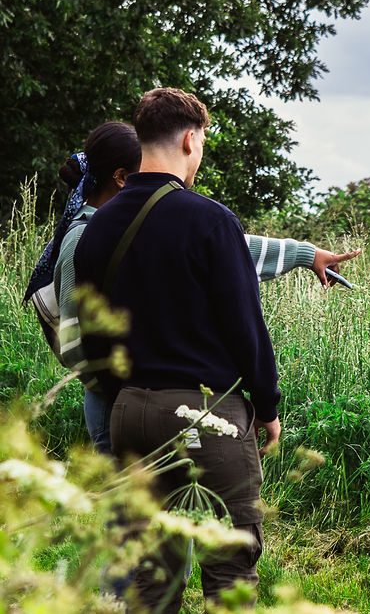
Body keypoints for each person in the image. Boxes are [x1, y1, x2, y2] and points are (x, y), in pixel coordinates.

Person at [73, 88, 307, 610]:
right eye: (201, 142)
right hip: (204, 413)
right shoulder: (210, 220)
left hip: (129, 411)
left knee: (153, 569)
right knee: (229, 565)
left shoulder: (96, 226)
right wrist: (266, 406)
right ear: (188, 139)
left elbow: (93, 337)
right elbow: (245, 326)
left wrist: (124, 399)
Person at [26, 122, 358, 455]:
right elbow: (74, 340)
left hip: (141, 401)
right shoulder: (83, 237)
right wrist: (118, 391)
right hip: (115, 404)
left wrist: (306, 254)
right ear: (122, 177)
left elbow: (222, 245)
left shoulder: (134, 222)